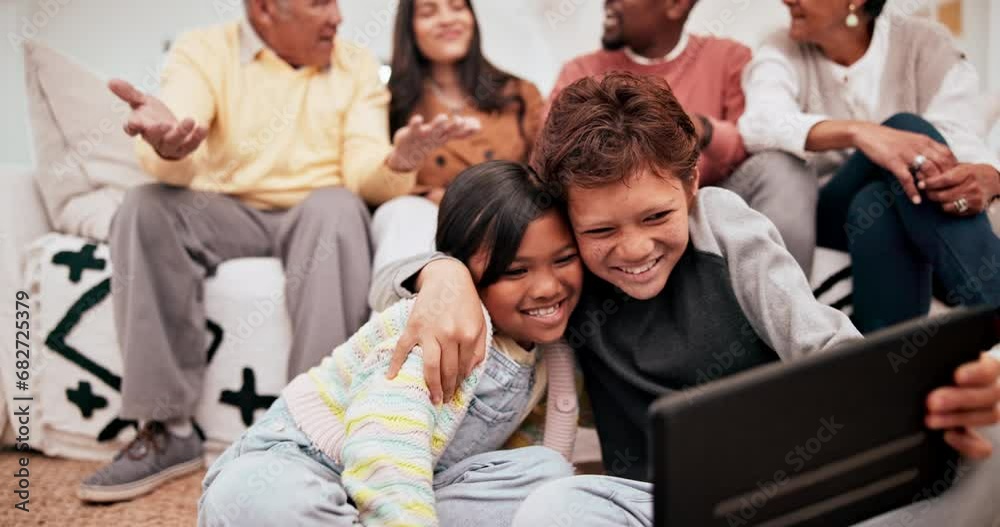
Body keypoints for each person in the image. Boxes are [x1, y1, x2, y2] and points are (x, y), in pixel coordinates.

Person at [373, 72, 1000, 527]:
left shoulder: (724, 224)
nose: (633, 248)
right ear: (567, 217)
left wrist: (915, 405)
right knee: (553, 506)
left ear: (693, 182)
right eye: (600, 231)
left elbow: (824, 342)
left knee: (978, 466)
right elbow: (389, 280)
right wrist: (443, 273)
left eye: (656, 216)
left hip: (790, 489)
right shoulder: (560, 263)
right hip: (657, 504)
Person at [78, 0, 479, 503]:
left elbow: (362, 174)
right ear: (265, 9)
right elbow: (180, 127)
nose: (336, 16)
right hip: (223, 210)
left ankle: (315, 430)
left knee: (337, 206)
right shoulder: (203, 50)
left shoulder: (353, 65)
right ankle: (166, 429)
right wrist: (169, 145)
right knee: (143, 206)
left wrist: (398, 161)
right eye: (319, 4)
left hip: (317, 211)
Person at [198, 161, 579, 526]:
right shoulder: (438, 326)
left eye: (564, 259)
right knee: (252, 498)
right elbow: (383, 447)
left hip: (413, 485)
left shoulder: (548, 352)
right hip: (311, 462)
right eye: (515, 271)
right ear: (464, 272)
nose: (548, 288)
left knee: (547, 477)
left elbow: (514, 451)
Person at [739, 0, 1000, 333]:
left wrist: (993, 177)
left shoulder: (925, 44)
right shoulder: (782, 48)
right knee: (906, 129)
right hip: (827, 210)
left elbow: (958, 141)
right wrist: (863, 133)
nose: (786, 0)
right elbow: (760, 124)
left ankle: (885, 372)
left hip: (900, 207)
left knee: (878, 201)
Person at [545, 0, 819, 272]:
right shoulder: (580, 72)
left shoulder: (727, 57)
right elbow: (548, 160)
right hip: (619, 217)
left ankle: (781, 297)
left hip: (711, 202)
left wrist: (700, 129)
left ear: (676, 5)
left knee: (784, 169)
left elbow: (750, 145)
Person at [370, 0, 545, 276]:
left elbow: (545, 174)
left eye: (457, 7)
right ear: (409, 29)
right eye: (429, 12)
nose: (447, 19)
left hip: (514, 229)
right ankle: (405, 314)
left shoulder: (519, 93)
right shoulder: (392, 105)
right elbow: (375, 193)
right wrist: (405, 168)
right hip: (436, 239)